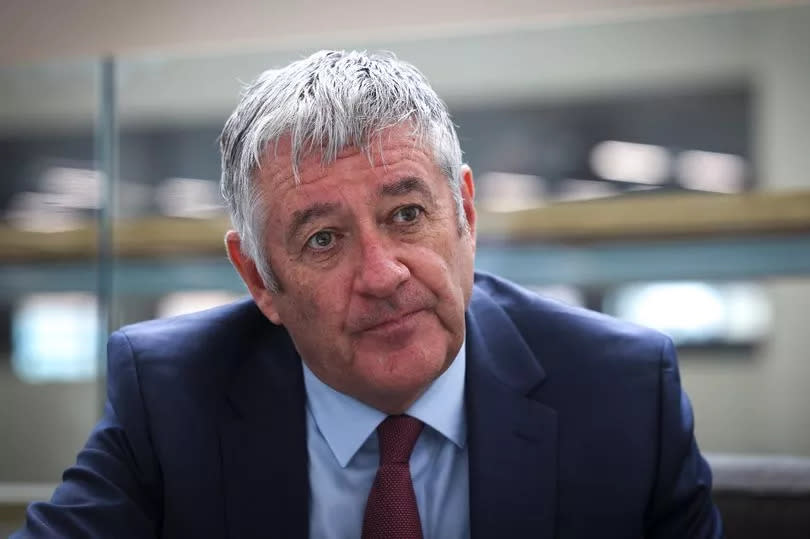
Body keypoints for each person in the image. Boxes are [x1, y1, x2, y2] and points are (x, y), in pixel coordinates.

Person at [15, 50, 723, 538]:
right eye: (323, 239)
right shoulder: (172, 399)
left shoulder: (623, 391)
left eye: (406, 215)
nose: (382, 274)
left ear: (467, 216)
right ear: (260, 277)